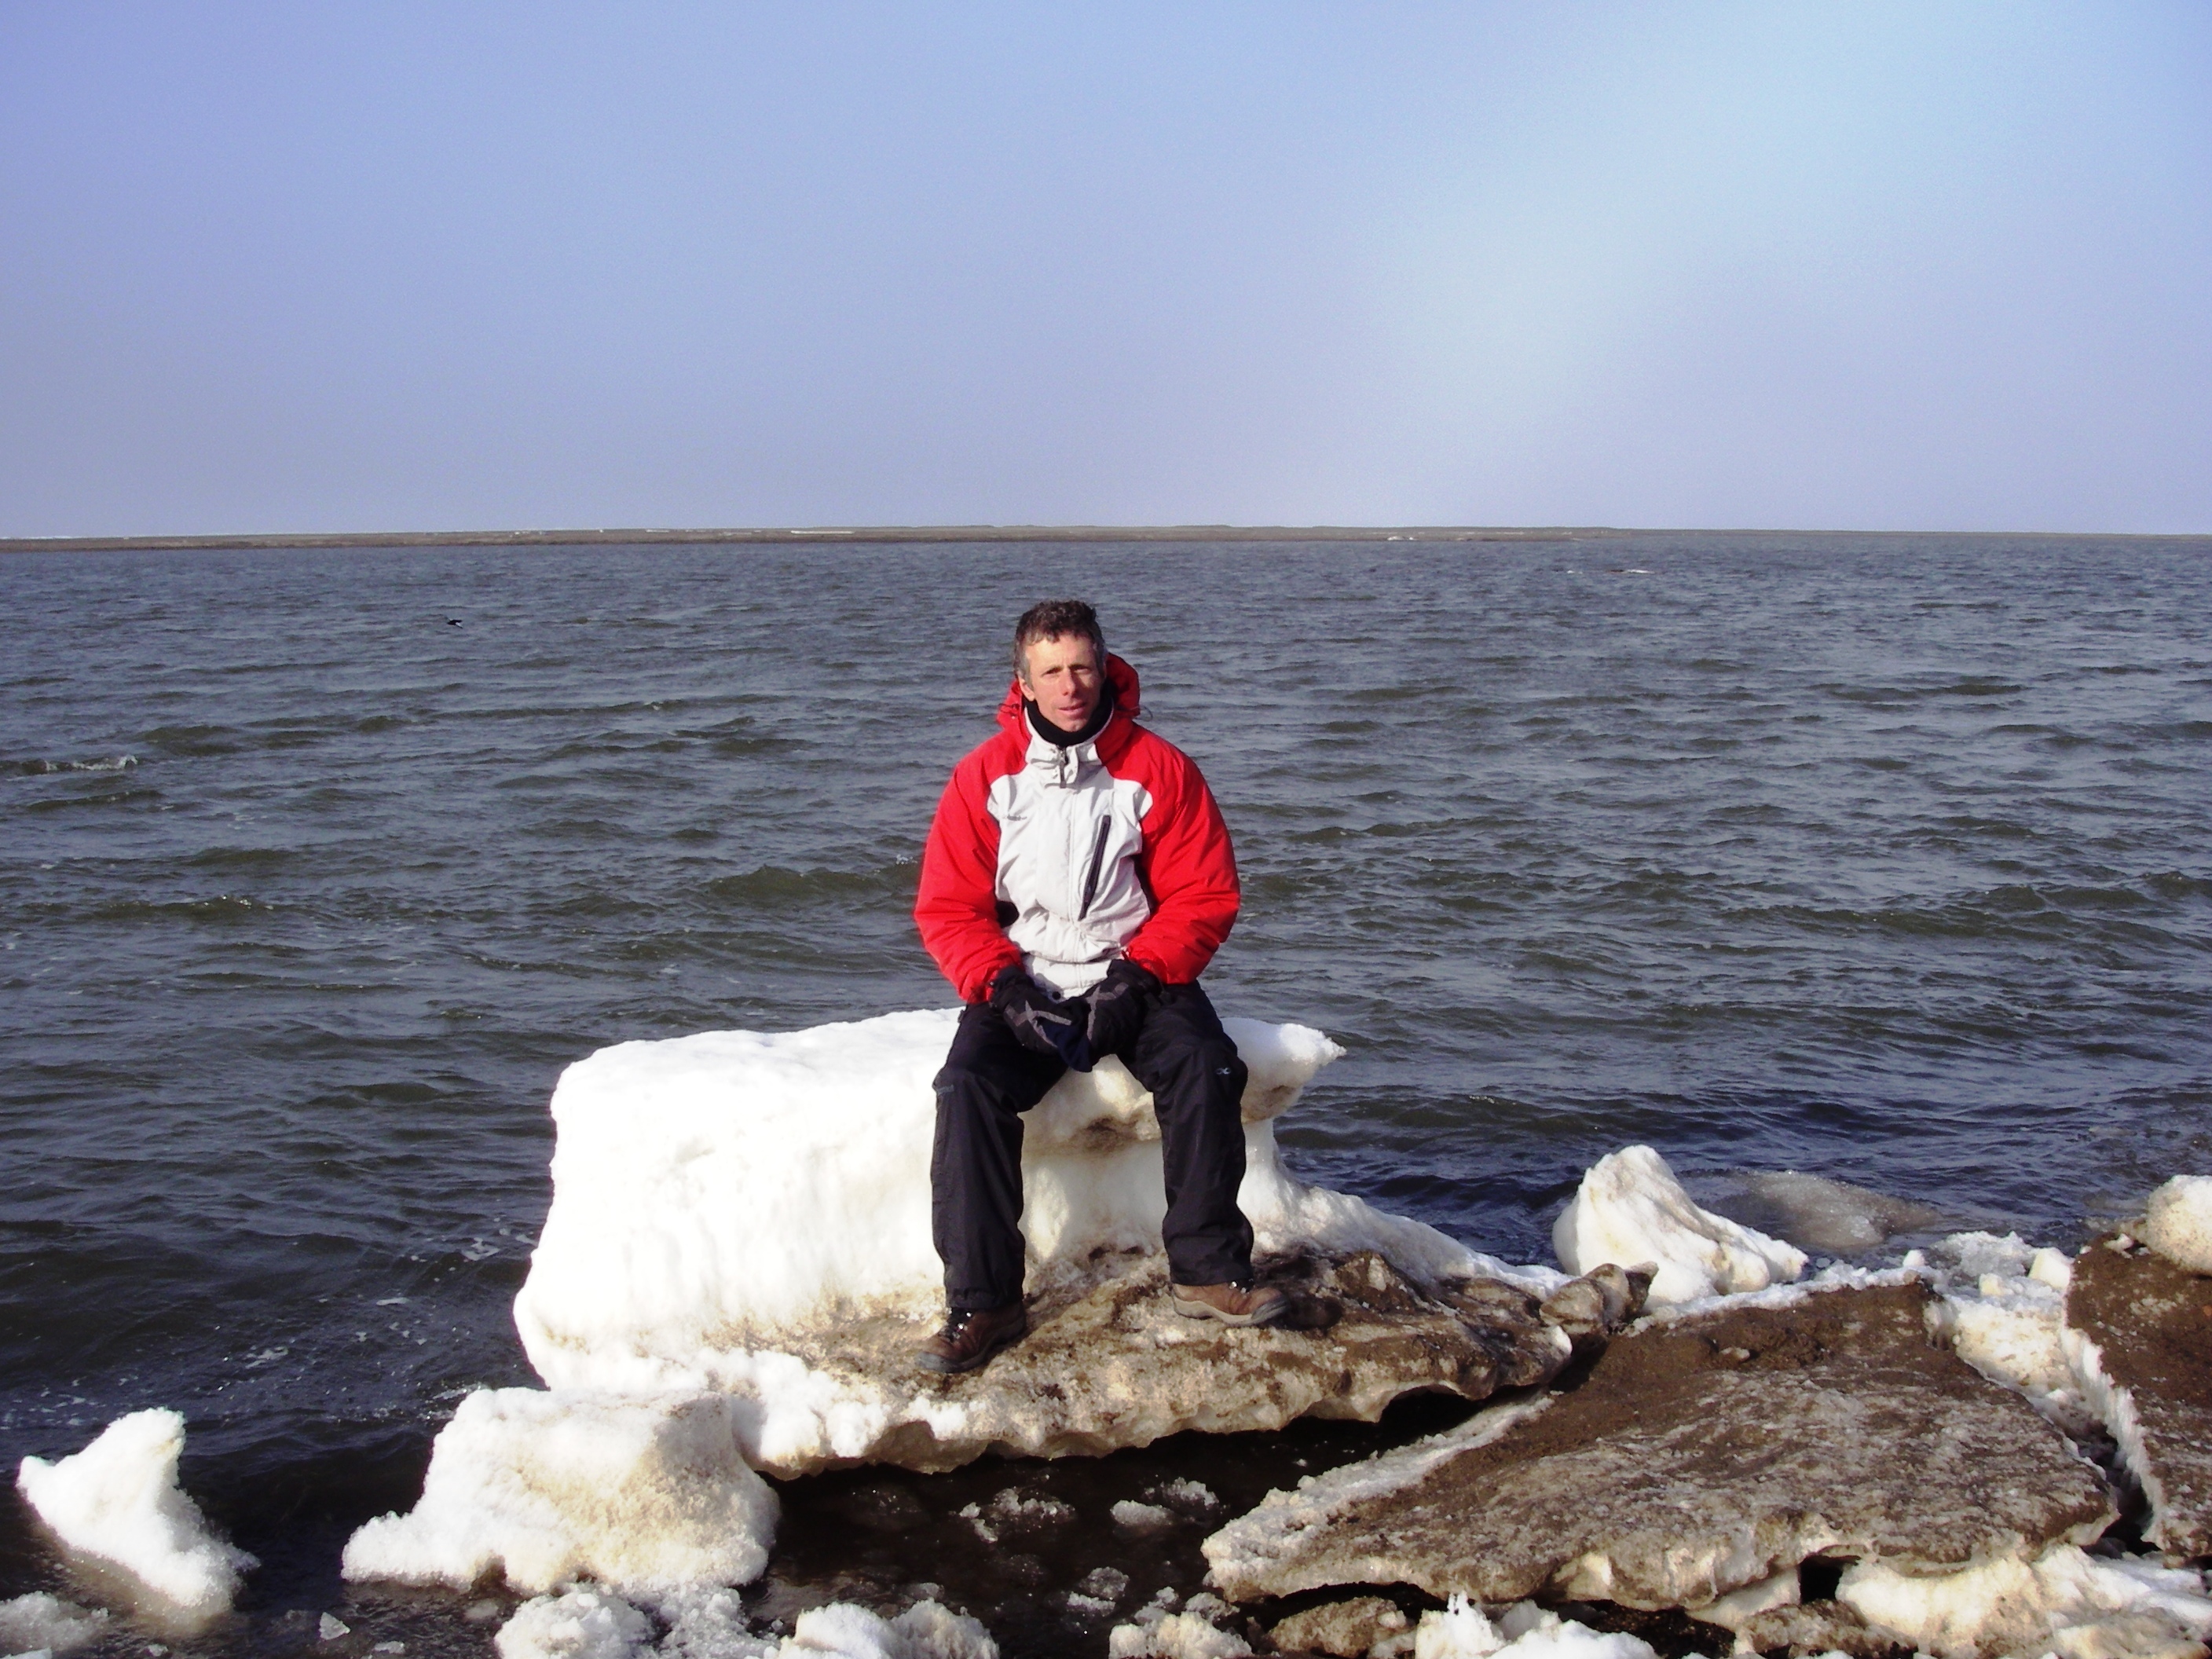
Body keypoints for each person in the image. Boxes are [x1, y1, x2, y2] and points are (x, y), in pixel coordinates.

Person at [911, 599, 1288, 1374]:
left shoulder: (1159, 767)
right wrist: (1004, 989)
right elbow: (948, 908)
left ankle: (1209, 1271)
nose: (1070, 686)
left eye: (1082, 667)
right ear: (1023, 682)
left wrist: (1137, 978)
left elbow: (1203, 895)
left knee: (1206, 1065)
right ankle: (984, 1303)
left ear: (1105, 667)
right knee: (966, 1087)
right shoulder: (983, 776)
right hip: (1028, 977)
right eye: (1050, 671)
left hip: (1136, 973)